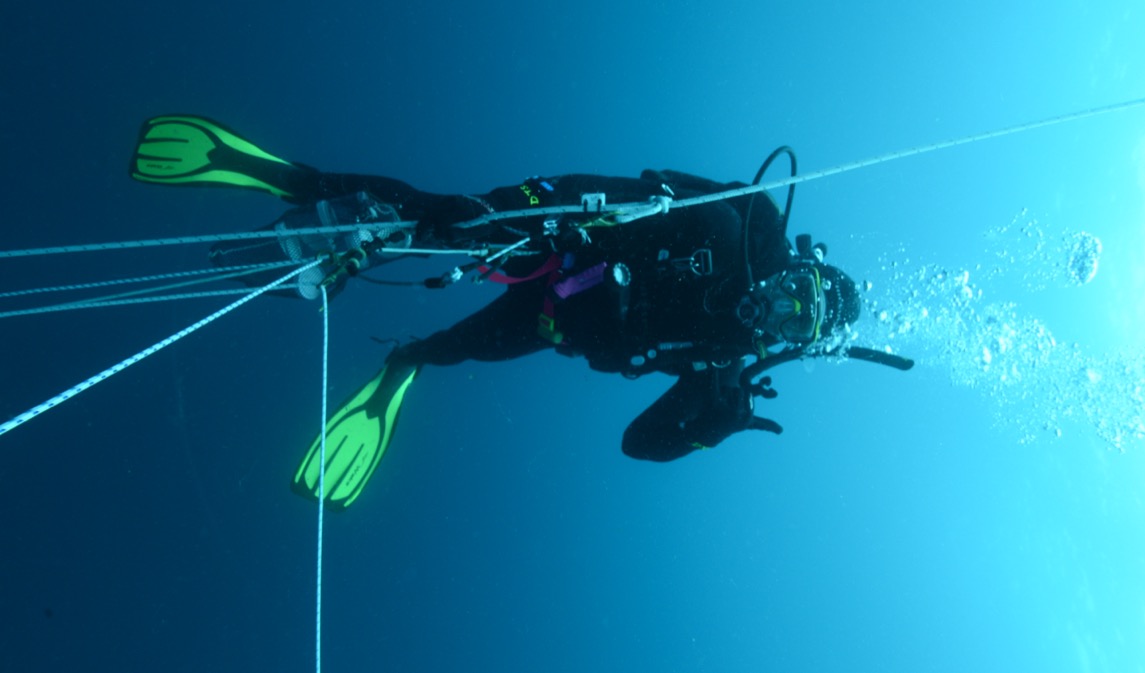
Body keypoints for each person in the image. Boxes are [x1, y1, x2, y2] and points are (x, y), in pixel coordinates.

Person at [130, 115, 911, 510]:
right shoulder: (743, 226)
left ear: (790, 344)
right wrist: (535, 208)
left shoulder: (724, 364)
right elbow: (638, 188)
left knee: (451, 348)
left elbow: (639, 444)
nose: (774, 308)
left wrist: (713, 423)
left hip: (553, 326)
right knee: (445, 219)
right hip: (563, 237)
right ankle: (296, 182)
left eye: (790, 323)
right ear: (795, 267)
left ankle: (402, 366)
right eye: (791, 292)